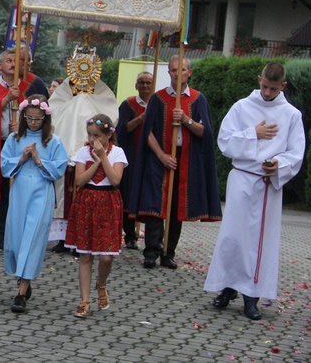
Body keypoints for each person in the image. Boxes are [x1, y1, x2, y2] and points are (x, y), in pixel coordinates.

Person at [204, 63, 305, 320]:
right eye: (264, 86)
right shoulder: (241, 107)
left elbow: (295, 152)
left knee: (260, 242)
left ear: (283, 86)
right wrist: (254, 133)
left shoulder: (291, 114)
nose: (268, 93)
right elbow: (224, 140)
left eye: (273, 88)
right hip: (242, 178)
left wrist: (277, 164)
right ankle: (227, 288)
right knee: (233, 236)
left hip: (267, 183)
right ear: (259, 79)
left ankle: (252, 295)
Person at [128, 56, 222, 269]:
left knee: (176, 206)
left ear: (189, 73)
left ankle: (168, 252)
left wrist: (186, 120)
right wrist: (161, 155)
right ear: (168, 73)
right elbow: (147, 132)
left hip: (186, 159)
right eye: (172, 70)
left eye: (181, 70)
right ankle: (151, 251)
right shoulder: (158, 98)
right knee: (155, 204)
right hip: (158, 157)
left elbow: (205, 132)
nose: (177, 74)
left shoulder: (198, 100)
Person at [0, 49, 48, 252]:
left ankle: (9, 235)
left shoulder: (33, 84)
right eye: (9, 60)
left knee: (13, 191)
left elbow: (43, 114)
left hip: (21, 145)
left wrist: (21, 125)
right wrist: (5, 100)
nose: (13, 64)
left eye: (18, 60)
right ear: (0, 65)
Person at [2, 95, 68, 313]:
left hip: (41, 191)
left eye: (37, 119)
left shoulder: (53, 141)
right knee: (17, 238)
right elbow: (4, 165)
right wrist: (21, 159)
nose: (32, 123)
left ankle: (21, 293)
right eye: (29, 118)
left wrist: (39, 160)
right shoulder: (14, 138)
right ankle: (23, 277)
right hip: (20, 191)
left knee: (32, 238)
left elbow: (59, 168)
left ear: (45, 118)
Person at [66, 114, 127, 318]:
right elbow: (80, 180)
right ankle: (84, 301)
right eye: (90, 135)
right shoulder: (84, 152)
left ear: (109, 135)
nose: (93, 140)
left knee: (106, 256)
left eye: (98, 136)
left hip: (108, 203)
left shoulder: (118, 153)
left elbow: (116, 179)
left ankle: (101, 283)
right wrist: (95, 161)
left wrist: (104, 158)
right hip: (87, 201)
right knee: (85, 254)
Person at [116, 71, 153, 250]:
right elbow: (121, 130)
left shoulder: (158, 104)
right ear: (136, 85)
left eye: (148, 82)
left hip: (152, 157)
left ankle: (153, 240)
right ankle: (130, 235)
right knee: (128, 195)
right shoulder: (128, 104)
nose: (145, 86)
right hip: (131, 155)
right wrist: (140, 119)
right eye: (141, 82)